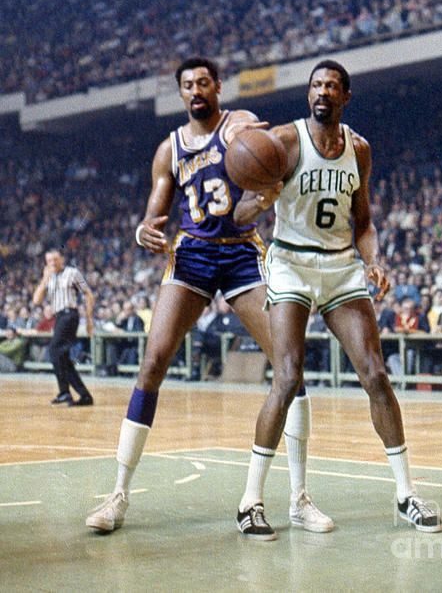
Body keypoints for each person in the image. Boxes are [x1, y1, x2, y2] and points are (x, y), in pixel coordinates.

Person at [86, 57, 331, 534]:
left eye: (203, 82)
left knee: (288, 365)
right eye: (187, 85)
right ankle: (117, 496)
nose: (196, 90)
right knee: (153, 362)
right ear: (180, 94)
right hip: (194, 254)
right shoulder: (169, 149)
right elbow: (152, 216)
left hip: (242, 254)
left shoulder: (238, 124)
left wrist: (267, 180)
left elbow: (265, 142)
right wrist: (143, 234)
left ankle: (299, 498)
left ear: (218, 87)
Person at [235, 60, 442, 540]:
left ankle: (406, 494)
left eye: (331, 85)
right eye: (315, 85)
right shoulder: (284, 143)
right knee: (287, 378)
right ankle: (250, 501)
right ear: (308, 95)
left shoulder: (360, 150)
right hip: (290, 264)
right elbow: (241, 211)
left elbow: (364, 221)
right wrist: (262, 199)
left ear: (345, 96)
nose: (322, 91)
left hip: (340, 266)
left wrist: (374, 260)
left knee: (375, 373)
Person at [32, 249, 94, 406]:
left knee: (54, 350)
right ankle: (82, 395)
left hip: (69, 314)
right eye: (49, 260)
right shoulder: (49, 278)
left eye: (55, 259)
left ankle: (65, 392)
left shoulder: (72, 273)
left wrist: (89, 320)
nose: (52, 262)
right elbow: (36, 301)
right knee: (62, 357)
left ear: (62, 259)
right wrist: (44, 279)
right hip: (59, 317)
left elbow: (88, 293)